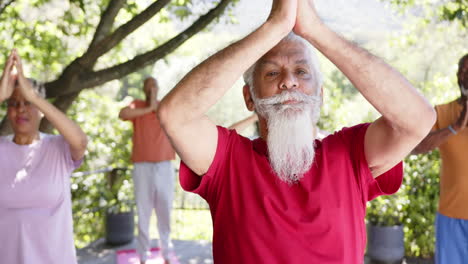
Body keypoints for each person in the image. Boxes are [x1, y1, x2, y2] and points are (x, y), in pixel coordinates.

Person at [157, 0, 435, 263]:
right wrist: (275, 26)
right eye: (272, 73)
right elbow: (175, 114)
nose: (289, 82)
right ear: (249, 98)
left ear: (320, 95)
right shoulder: (228, 161)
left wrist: (315, 29)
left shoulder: (350, 154)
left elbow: (417, 120)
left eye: (302, 72)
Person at [0, 49, 87, 263]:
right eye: (13, 103)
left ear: (40, 108)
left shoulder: (58, 147)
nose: (21, 109)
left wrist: (34, 96)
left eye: (27, 103)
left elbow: (81, 141)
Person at [412, 53, 468, 264]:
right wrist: (455, 127)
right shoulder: (442, 113)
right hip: (451, 217)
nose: (464, 77)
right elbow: (417, 147)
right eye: (461, 72)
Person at [119, 77, 175, 264]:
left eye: (154, 85)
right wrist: (148, 109)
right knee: (143, 211)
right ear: (143, 89)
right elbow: (122, 114)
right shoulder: (136, 106)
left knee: (165, 210)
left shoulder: (165, 106)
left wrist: (155, 107)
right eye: (148, 86)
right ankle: (143, 256)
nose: (151, 89)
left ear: (158, 88)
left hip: (165, 165)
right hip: (142, 166)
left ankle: (166, 253)